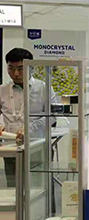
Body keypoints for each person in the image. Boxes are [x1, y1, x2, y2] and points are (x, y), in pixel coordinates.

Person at [0, 48, 57, 187]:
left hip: (37, 146)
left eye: (20, 69)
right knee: (14, 188)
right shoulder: (2, 90)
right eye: (11, 69)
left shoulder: (44, 88)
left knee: (40, 188)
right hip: (11, 148)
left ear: (31, 68)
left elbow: (53, 116)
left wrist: (29, 129)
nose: (15, 73)